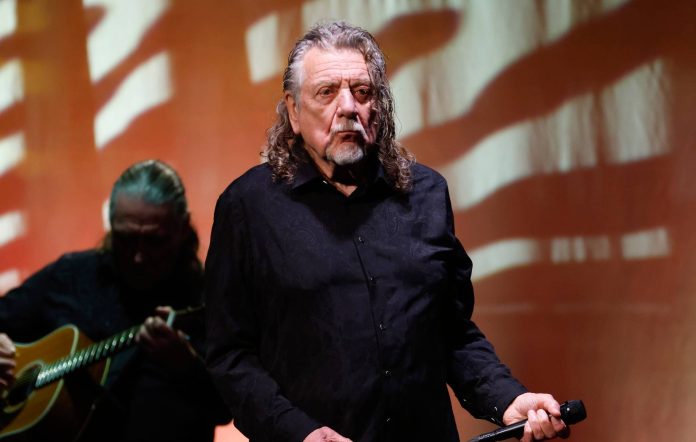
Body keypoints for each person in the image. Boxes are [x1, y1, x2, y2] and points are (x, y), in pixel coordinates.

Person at [204, 21, 569, 442]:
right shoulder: (247, 208)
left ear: (380, 106)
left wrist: (506, 399)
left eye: (363, 91)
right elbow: (230, 356)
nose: (348, 107)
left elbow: (450, 334)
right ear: (294, 111)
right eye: (327, 92)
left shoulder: (426, 194)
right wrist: (297, 433)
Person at [0, 160, 231, 441]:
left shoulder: (210, 298)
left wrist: (187, 366)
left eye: (155, 241)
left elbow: (226, 409)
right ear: (111, 227)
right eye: (125, 239)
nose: (138, 256)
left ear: (182, 228)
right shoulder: (71, 275)